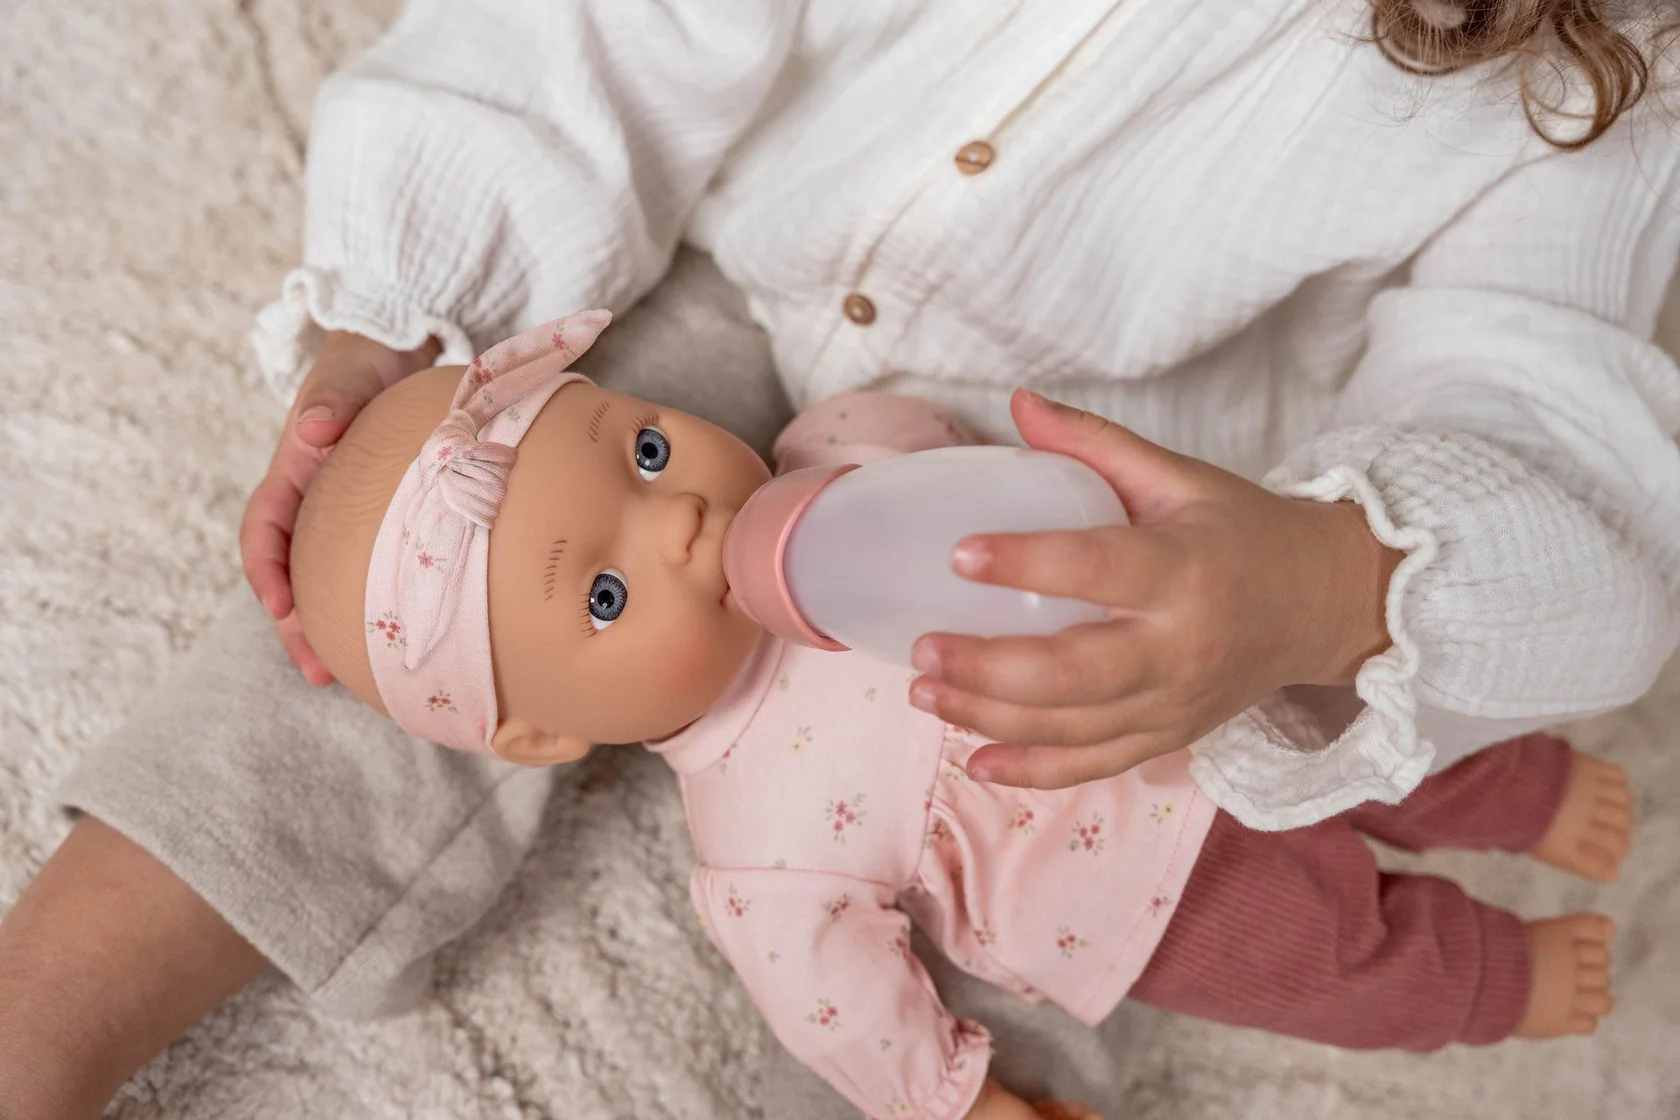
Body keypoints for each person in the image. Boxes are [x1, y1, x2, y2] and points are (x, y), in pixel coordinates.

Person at [2, 1, 1676, 1115]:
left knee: (1048, 897)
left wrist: (1317, 580)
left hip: (1128, 486)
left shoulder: (1601, 71)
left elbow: (1555, 435)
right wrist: (393, 323)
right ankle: (38, 1028)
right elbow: (596, 27)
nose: (679, 540)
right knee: (406, 596)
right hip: (742, 285)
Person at [284, 310, 1626, 1120]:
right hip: (1148, 907)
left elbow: (952, 448)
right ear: (546, 734)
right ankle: (1497, 978)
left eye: (643, 451)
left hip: (1210, 660)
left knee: (1390, 713)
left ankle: (1541, 793)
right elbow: (846, 1010)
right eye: (606, 594)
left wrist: (880, 458)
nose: (681, 513)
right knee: (1342, 959)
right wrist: (965, 1100)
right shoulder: (757, 852)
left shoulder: (833, 456)